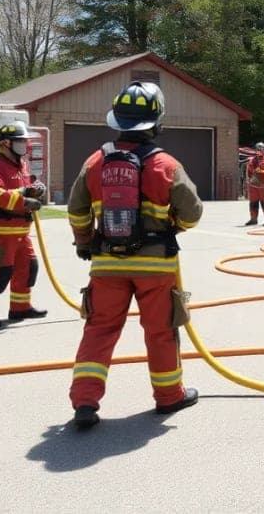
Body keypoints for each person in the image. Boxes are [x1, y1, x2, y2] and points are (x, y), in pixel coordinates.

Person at [66, 81, 204, 429]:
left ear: (116, 121)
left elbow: (76, 210)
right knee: (160, 331)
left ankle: (85, 401)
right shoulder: (166, 164)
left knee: (98, 331)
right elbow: (193, 212)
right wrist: (171, 227)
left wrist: (84, 242)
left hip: (106, 264)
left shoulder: (95, 162)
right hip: (156, 267)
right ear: (156, 123)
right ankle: (169, 396)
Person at [0, 120, 47, 329]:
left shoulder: (21, 165)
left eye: (24, 140)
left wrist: (35, 189)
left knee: (28, 268)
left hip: (21, 229)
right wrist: (25, 200)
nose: (24, 144)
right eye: (19, 141)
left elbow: (23, 188)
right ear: (5, 143)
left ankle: (20, 308)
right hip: (0, 230)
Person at [244, 142, 264, 226]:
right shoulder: (252, 160)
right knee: (253, 203)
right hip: (254, 185)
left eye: (261, 149)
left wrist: (262, 171)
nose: (259, 151)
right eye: (257, 150)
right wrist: (249, 180)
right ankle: (253, 219)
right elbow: (249, 171)